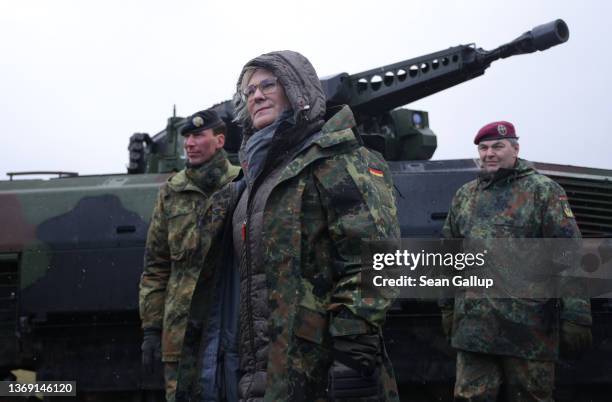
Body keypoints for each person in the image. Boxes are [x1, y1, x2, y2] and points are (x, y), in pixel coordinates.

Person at [176, 50, 401, 402]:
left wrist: (353, 349)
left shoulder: (340, 160)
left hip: (320, 368)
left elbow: (375, 258)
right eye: (249, 91)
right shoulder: (246, 185)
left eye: (269, 85)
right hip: (257, 372)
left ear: (298, 90)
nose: (257, 95)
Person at [440, 121, 593, 401]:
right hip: (475, 328)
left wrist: (577, 315)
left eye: (498, 146)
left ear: (515, 148)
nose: (489, 153)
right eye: (483, 148)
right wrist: (447, 306)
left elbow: (569, 252)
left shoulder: (543, 191)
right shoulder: (465, 196)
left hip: (528, 329)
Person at [139, 109, 240, 402]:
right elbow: (156, 267)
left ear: (219, 140)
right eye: (187, 137)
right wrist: (151, 328)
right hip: (181, 332)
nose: (190, 143)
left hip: (230, 329)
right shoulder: (171, 193)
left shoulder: (242, 183)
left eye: (198, 135)